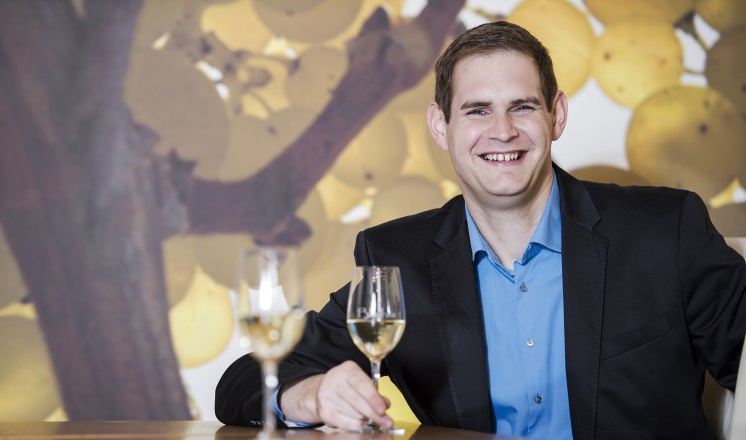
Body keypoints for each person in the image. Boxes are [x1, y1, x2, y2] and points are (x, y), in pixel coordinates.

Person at [215, 21, 746, 439]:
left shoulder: (664, 232)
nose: (503, 131)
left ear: (556, 116)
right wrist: (309, 397)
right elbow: (244, 381)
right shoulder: (397, 257)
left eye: (523, 106)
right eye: (477, 110)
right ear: (440, 127)